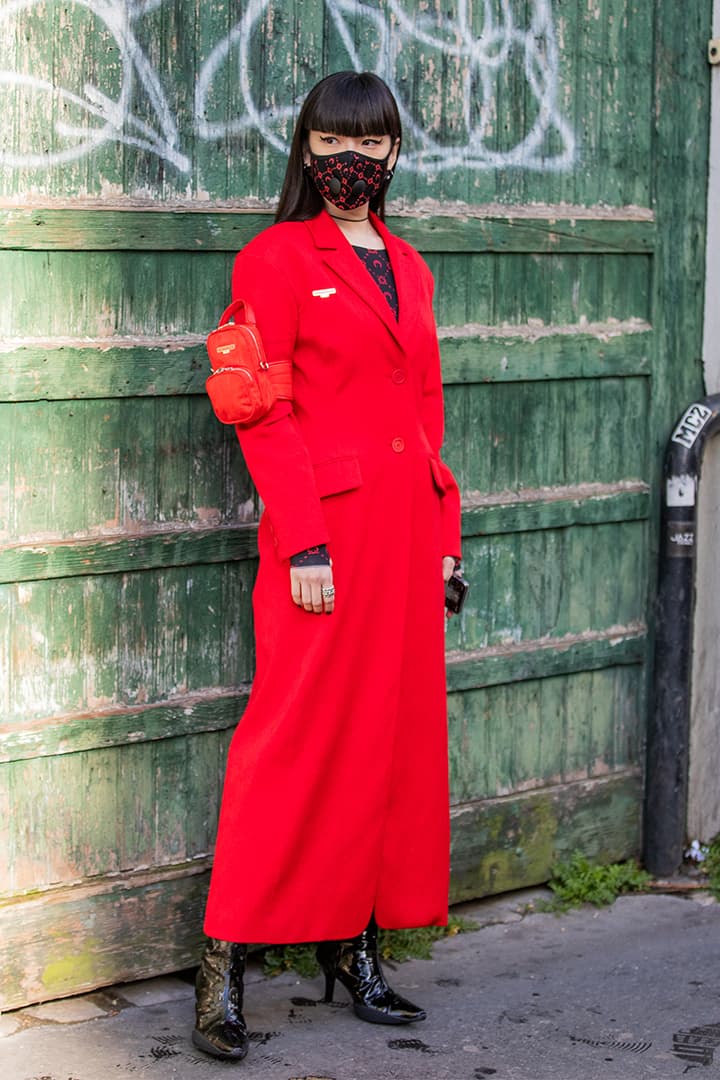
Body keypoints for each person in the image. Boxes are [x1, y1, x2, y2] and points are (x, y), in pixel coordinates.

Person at [193, 70, 462, 1062]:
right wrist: (303, 537)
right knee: (292, 741)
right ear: (306, 150)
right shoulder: (274, 257)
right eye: (334, 142)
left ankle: (353, 949)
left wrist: (442, 543)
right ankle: (222, 964)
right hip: (325, 540)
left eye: (373, 144)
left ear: (395, 154)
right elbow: (264, 408)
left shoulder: (412, 267)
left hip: (403, 539)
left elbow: (426, 412)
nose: (355, 161)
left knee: (383, 746)